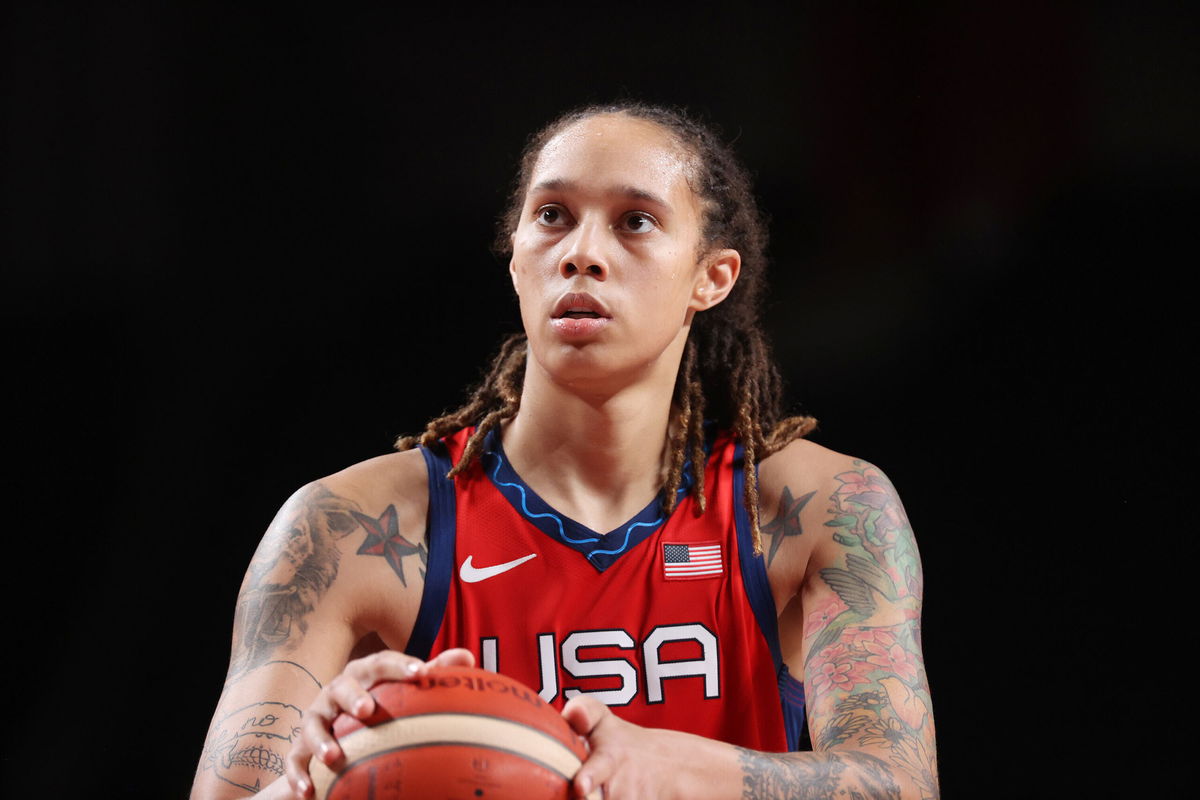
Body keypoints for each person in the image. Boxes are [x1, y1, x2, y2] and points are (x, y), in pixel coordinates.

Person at [190, 101, 938, 800]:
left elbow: (899, 782)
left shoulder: (816, 509)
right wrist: (313, 777)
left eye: (635, 221)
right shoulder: (345, 528)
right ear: (515, 256)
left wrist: (675, 766)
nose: (582, 252)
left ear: (711, 277)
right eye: (552, 216)